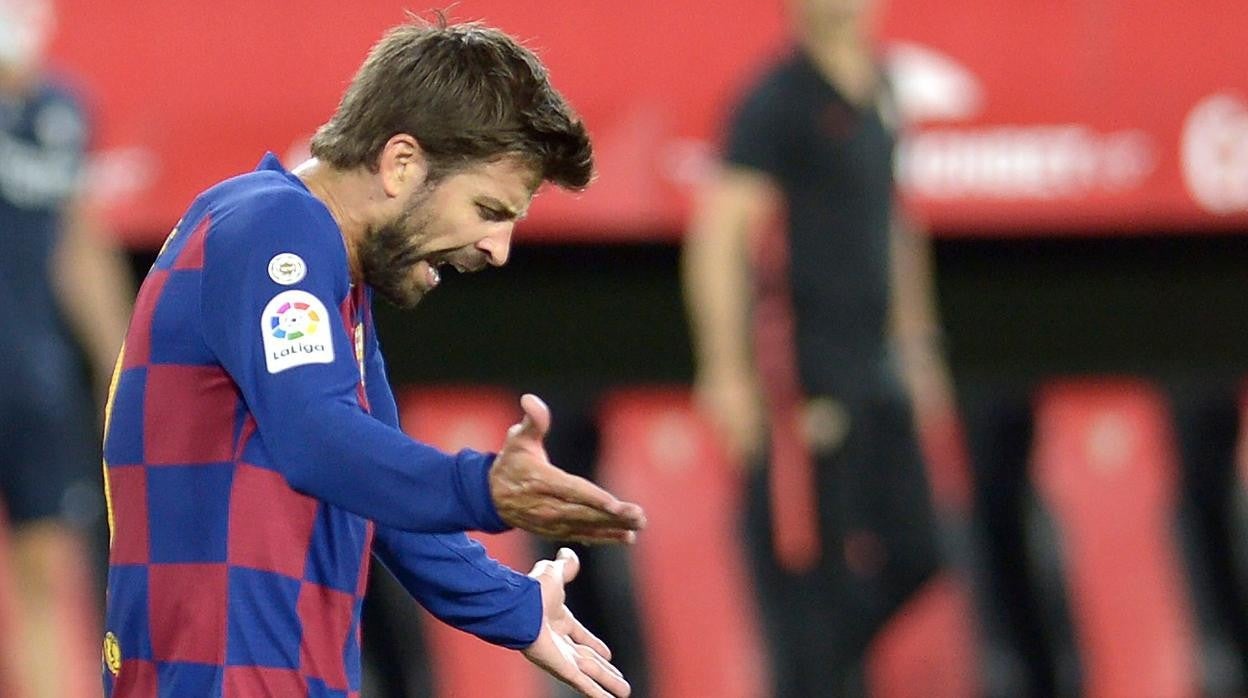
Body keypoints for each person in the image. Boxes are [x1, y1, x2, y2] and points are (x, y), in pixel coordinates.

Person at [100, 18, 644, 698]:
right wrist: (481, 488)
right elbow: (316, 439)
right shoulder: (276, 226)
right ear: (401, 164)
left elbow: (373, 482)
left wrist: (511, 604)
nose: (497, 249)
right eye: (486, 208)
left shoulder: (326, 276)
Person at [683, 0, 950, 695]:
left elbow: (894, 222)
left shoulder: (884, 88)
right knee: (808, 577)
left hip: (878, 373)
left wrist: (918, 343)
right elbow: (719, 238)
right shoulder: (777, 101)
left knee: (922, 550)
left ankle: (823, 667)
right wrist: (726, 374)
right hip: (800, 383)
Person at [0, 0, 133, 695]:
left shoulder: (64, 110)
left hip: (35, 377)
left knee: (48, 565)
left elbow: (79, 243)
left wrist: (124, 369)